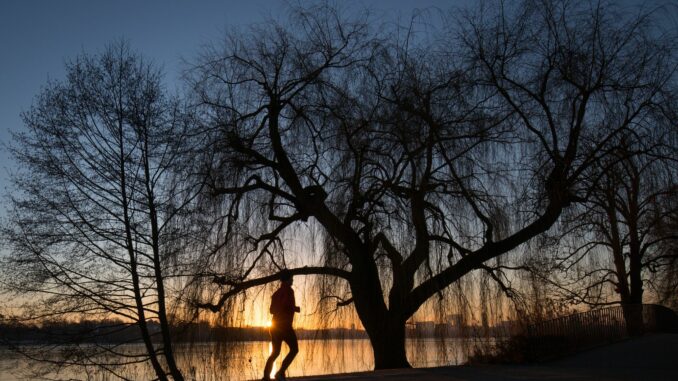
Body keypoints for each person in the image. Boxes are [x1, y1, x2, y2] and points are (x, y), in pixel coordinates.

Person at [262, 270, 300, 381]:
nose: (292, 280)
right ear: (287, 280)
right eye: (291, 279)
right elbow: (286, 305)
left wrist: (288, 308)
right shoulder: (289, 291)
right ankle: (280, 373)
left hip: (274, 327)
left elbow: (272, 310)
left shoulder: (276, 293)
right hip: (285, 326)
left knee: (275, 352)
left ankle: (266, 377)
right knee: (294, 349)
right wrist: (295, 308)